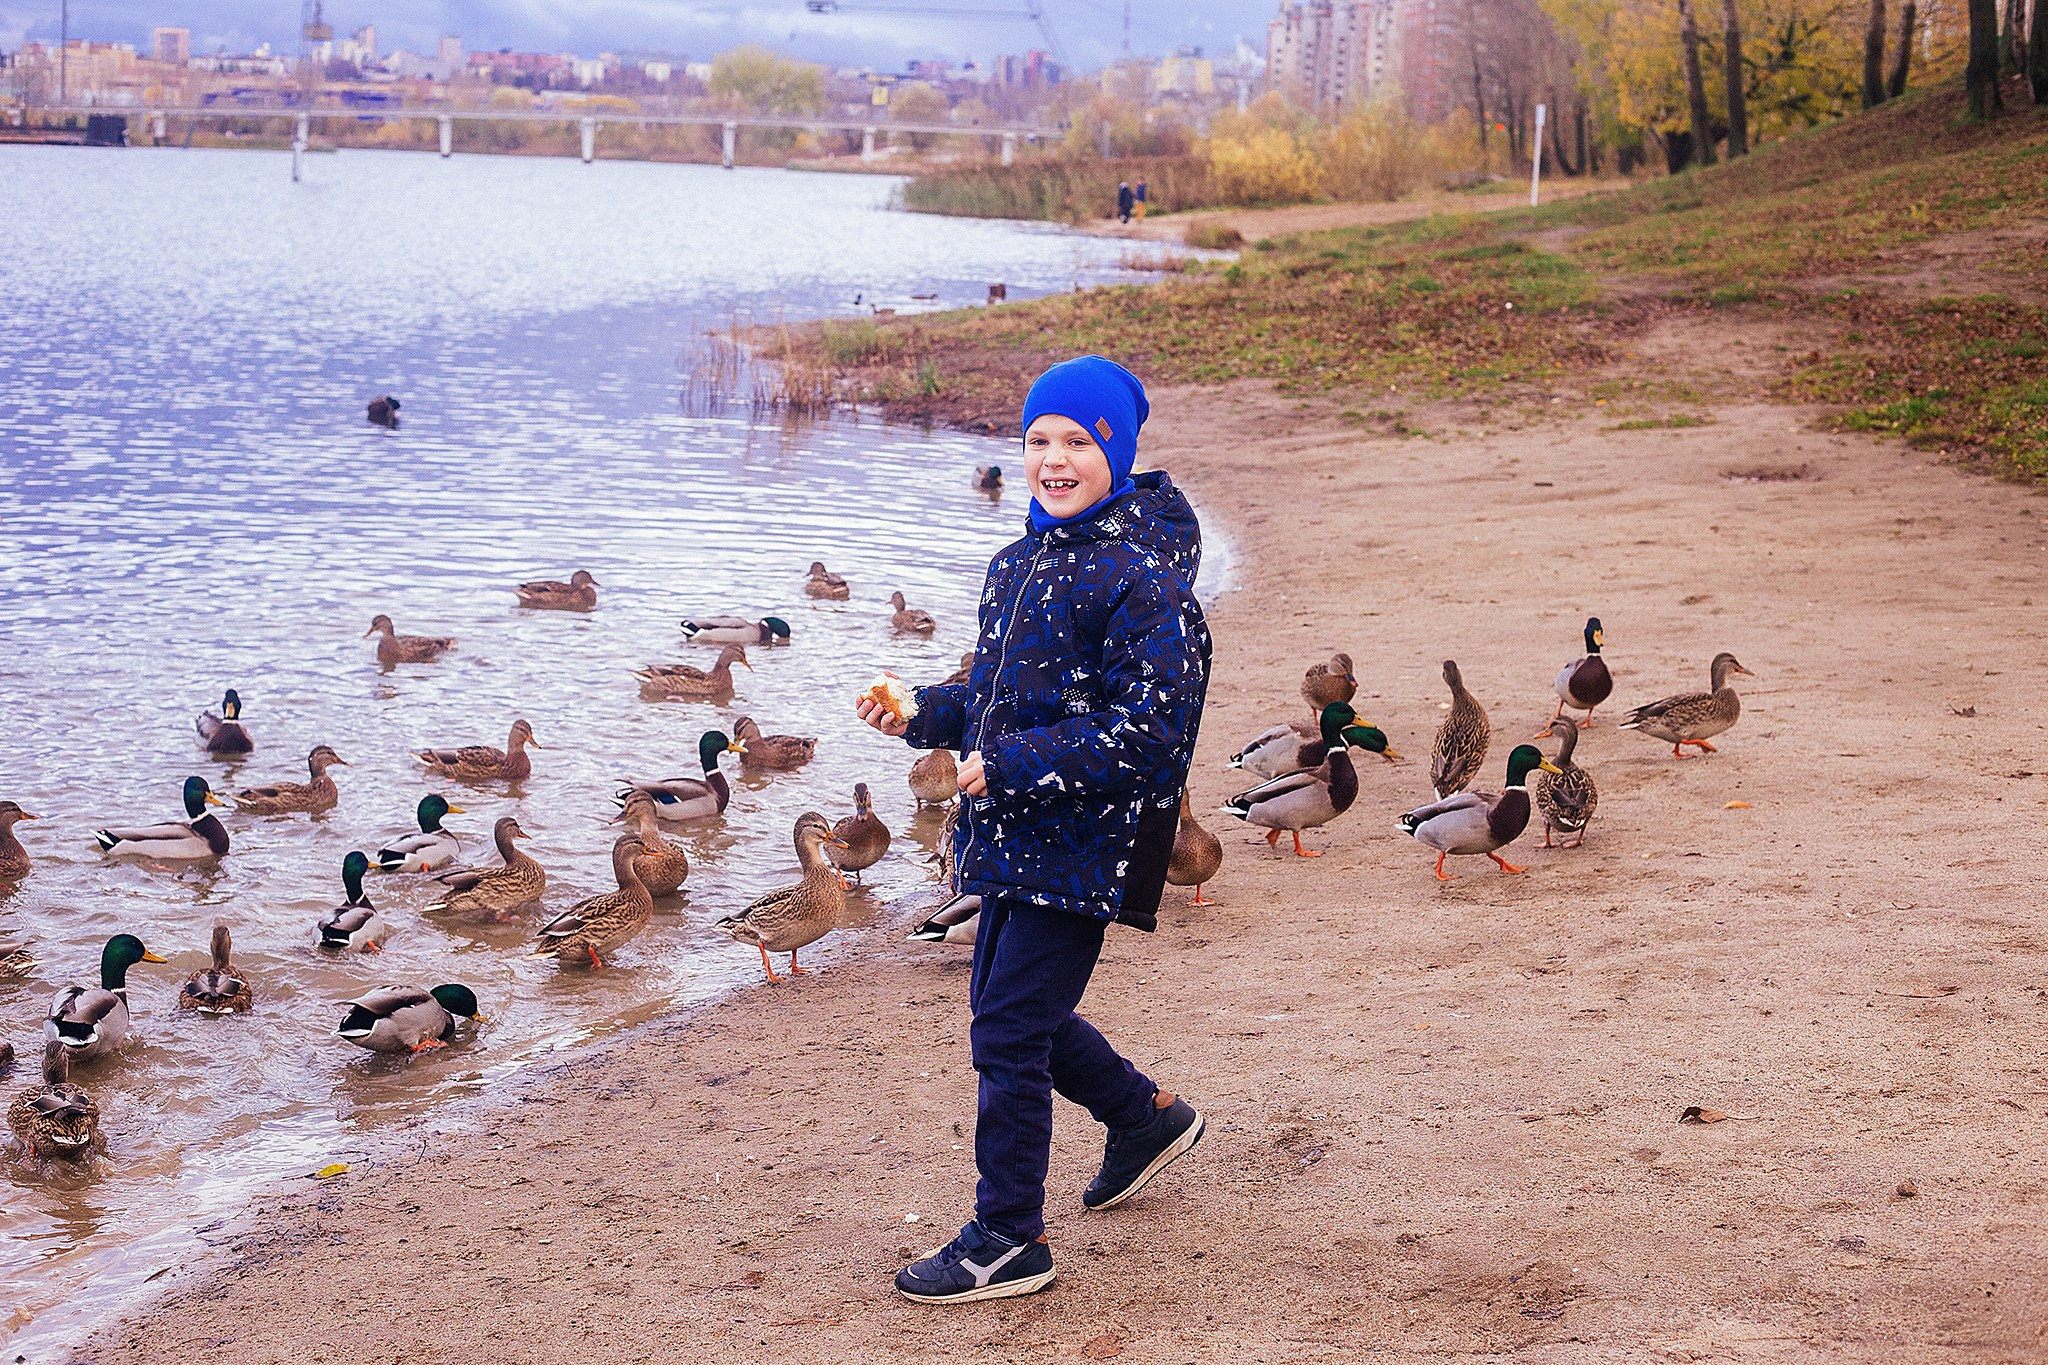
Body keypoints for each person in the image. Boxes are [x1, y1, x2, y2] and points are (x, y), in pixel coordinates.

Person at [856, 355, 1212, 1304]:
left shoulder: (1146, 583)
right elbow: (996, 696)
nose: (1054, 459)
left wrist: (1011, 762)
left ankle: (1009, 1236)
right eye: (1038, 441)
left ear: (1117, 452)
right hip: (1013, 830)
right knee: (1011, 1011)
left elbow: (1152, 733)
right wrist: (922, 713)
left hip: (1090, 841)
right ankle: (1142, 1116)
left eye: (1077, 442)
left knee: (1008, 1029)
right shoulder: (1018, 561)